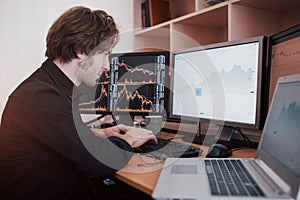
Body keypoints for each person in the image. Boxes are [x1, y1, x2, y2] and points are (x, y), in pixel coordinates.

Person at [0, 6, 157, 199]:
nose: (108, 67)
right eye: (105, 54)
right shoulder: (39, 97)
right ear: (81, 51)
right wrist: (130, 138)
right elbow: (100, 162)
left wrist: (98, 134)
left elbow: (60, 136)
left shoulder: (49, 88)